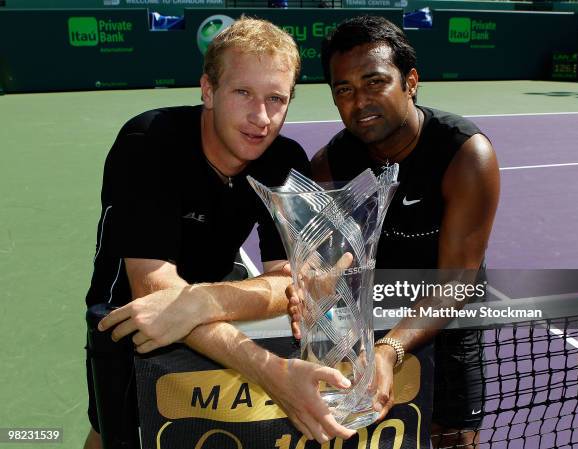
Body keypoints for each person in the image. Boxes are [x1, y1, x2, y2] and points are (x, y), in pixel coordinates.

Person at [84, 17, 355, 449]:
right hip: (128, 321)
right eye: (242, 93)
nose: (261, 117)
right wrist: (274, 373)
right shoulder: (148, 142)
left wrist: (205, 301)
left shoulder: (283, 160)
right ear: (208, 90)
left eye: (276, 99)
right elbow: (153, 289)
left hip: (220, 315)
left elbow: (298, 280)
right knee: (114, 437)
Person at [287, 15, 500, 449]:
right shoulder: (330, 165)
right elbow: (325, 269)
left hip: (448, 331)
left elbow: (456, 281)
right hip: (368, 330)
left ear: (411, 82)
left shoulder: (464, 155)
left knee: (453, 442)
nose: (359, 100)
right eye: (343, 89)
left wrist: (391, 349)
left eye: (374, 82)